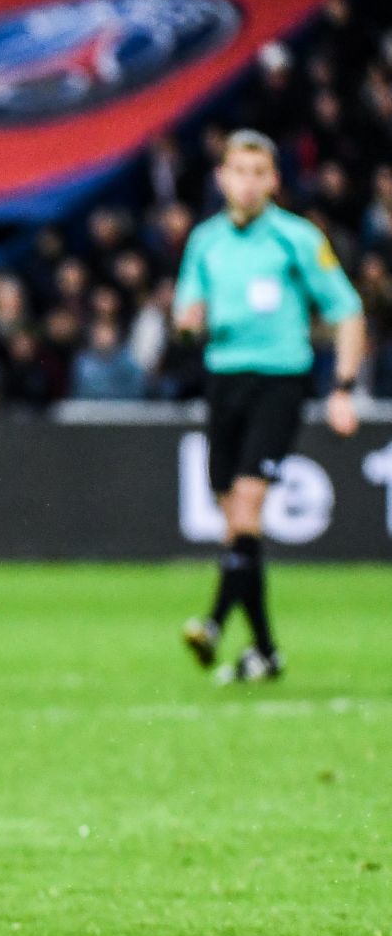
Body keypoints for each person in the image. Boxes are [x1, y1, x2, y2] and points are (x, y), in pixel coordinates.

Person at [174, 130, 364, 683]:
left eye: (260, 172)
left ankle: (211, 623)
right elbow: (187, 313)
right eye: (239, 171)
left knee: (248, 506)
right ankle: (264, 652)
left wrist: (344, 387)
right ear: (222, 177)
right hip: (223, 382)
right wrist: (187, 327)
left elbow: (347, 309)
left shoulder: (298, 239)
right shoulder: (205, 241)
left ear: (274, 180)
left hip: (279, 382)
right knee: (235, 520)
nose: (249, 183)